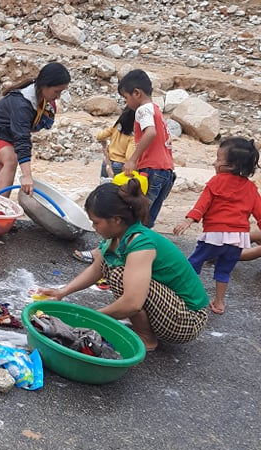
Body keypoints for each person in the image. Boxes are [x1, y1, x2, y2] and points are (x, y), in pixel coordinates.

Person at [35, 179, 208, 351]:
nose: (94, 227)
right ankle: (145, 329)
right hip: (171, 308)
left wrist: (89, 319)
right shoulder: (116, 238)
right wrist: (62, 292)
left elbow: (132, 303)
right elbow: (97, 268)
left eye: (96, 222)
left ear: (116, 220)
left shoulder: (141, 243)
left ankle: (147, 338)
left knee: (118, 275)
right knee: (112, 269)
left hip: (189, 319)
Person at [174, 137, 261, 315]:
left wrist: (189, 220)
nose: (215, 163)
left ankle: (185, 296)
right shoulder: (251, 188)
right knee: (223, 270)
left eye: (218, 159)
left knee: (193, 263)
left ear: (231, 166)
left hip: (215, 236)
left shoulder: (216, 182)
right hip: (237, 240)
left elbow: (202, 205)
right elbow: (259, 214)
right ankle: (219, 302)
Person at [0, 61, 71, 195]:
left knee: (6, 165)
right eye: (57, 91)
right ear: (45, 84)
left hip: (8, 133)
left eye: (61, 92)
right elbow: (22, 139)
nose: (58, 96)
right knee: (11, 159)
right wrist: (27, 176)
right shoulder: (22, 103)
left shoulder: (41, 97)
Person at [118, 69, 175, 227]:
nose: (126, 103)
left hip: (151, 170)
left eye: (126, 98)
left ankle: (118, 250)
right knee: (147, 222)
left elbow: (150, 133)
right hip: (167, 172)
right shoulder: (155, 109)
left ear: (136, 93)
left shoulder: (142, 110)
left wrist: (132, 159)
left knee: (135, 218)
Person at [96, 106, 136, 179]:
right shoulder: (132, 136)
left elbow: (99, 136)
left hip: (107, 163)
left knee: (103, 188)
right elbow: (129, 157)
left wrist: (106, 145)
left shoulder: (116, 127)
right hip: (120, 166)